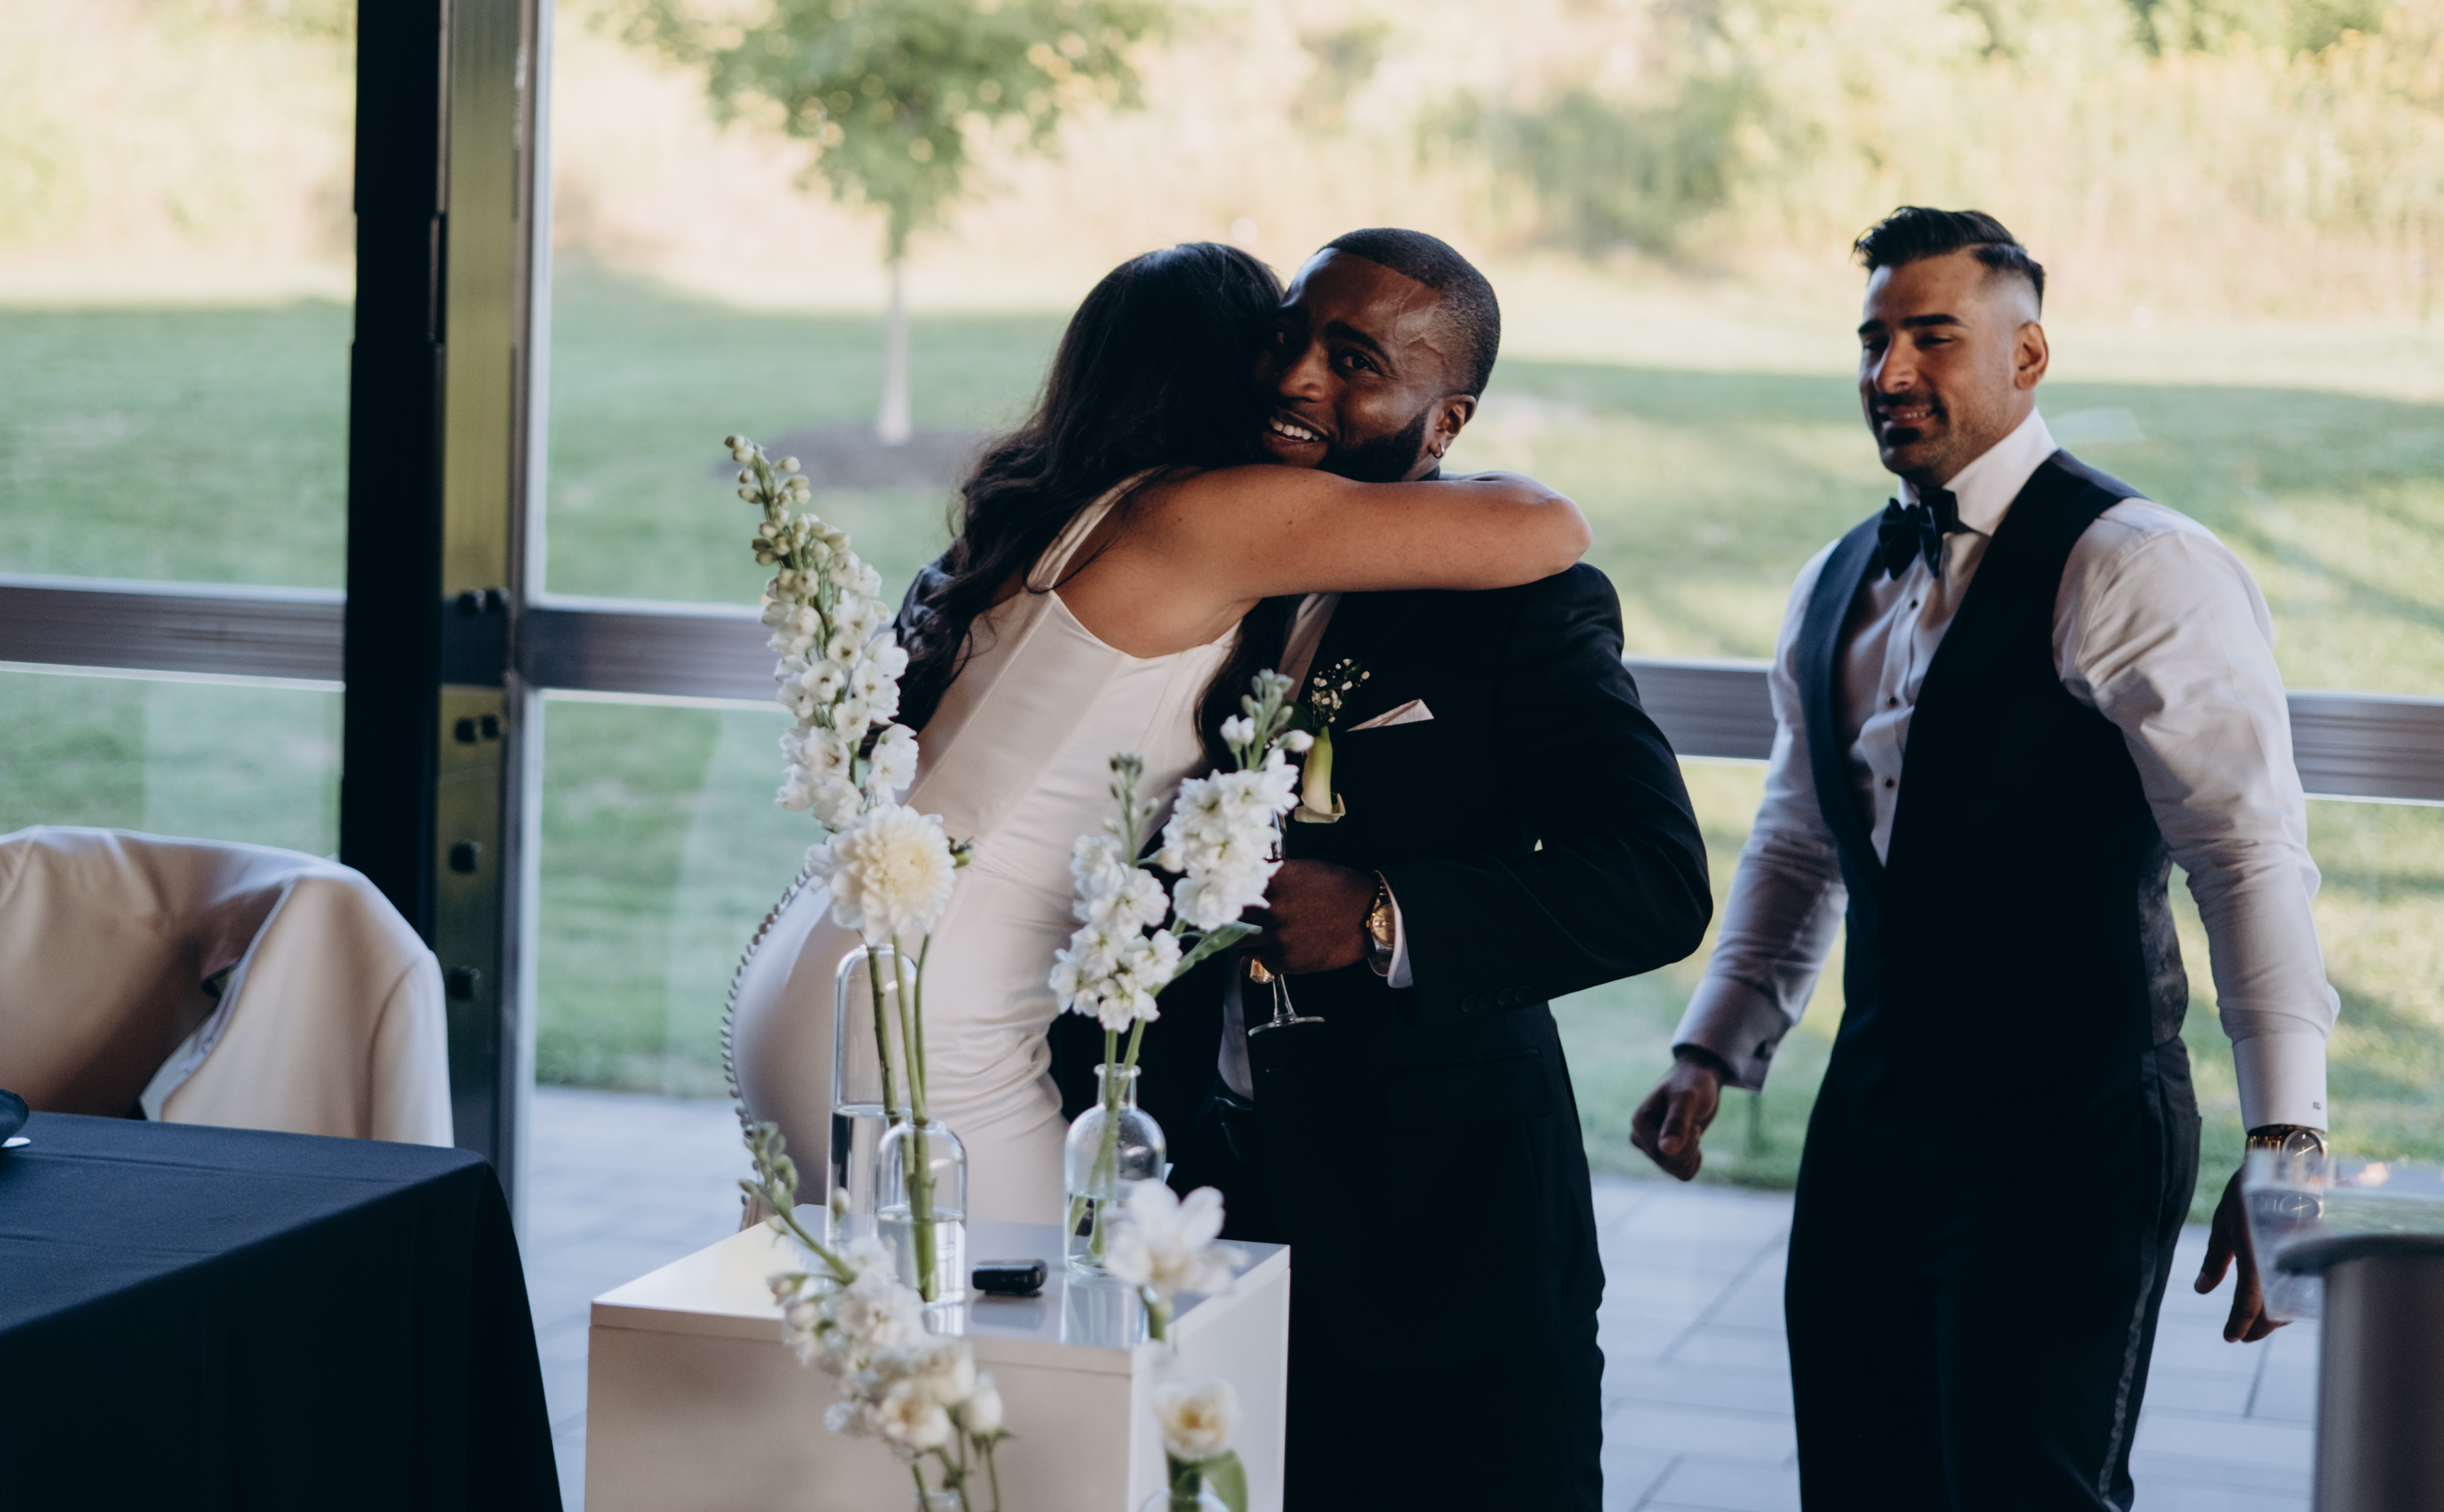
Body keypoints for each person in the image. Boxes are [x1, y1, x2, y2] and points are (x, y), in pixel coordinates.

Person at [1628, 206, 2338, 1512]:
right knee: (1856, 1478)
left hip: (2075, 1121)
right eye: (1873, 341)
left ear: (2029, 355)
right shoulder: (1835, 579)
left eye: (1933, 337)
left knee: (2029, 1489)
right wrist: (1712, 1046)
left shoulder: (2140, 567)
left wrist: (2288, 1134)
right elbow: (1800, 835)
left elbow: (2245, 855)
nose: (1890, 371)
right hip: (1876, 1106)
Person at [724, 240, 1594, 1224]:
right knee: (1045, 1314)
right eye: (1278, 343)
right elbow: (1549, 525)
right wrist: (1430, 450)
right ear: (1226, 369)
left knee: (898, 1311)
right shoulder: (1211, 518)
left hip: (828, 960)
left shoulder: (1052, 511)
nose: (1294, 378)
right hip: (930, 1014)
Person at [1152, 228, 1714, 1512]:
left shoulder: (1520, 602)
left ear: (1445, 421)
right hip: (1202, 1205)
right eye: (1290, 335)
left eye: (1354, 363)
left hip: (1444, 1225)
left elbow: (1654, 876)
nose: (1296, 377)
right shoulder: (1204, 562)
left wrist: (1387, 916)